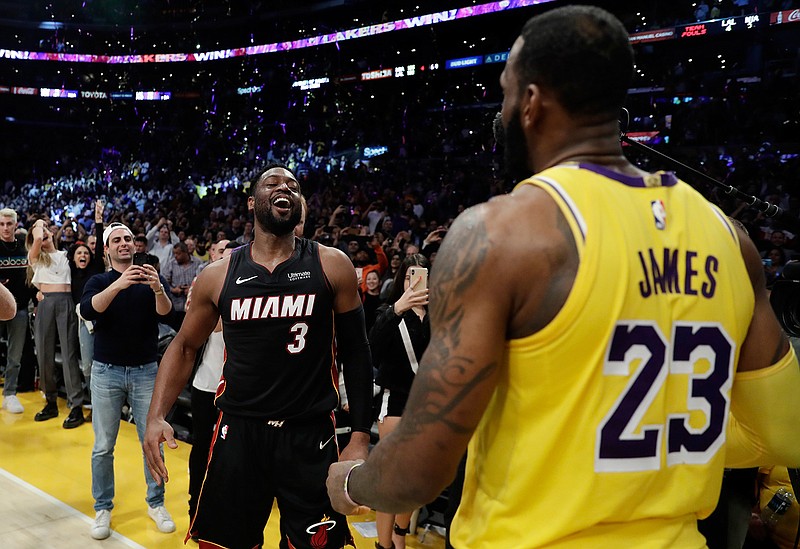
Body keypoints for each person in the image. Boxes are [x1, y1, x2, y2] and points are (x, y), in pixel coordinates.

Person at [326, 6, 800, 548]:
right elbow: (784, 432)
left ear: (529, 102)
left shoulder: (503, 235)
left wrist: (352, 482)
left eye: (505, 92)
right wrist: (658, 440)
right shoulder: (729, 238)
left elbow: (420, 471)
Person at [143, 165, 374, 549]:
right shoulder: (219, 274)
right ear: (252, 203)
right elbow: (184, 346)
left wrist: (361, 437)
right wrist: (155, 417)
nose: (285, 187)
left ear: (299, 205)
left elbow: (357, 350)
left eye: (293, 185)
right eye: (273, 183)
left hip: (310, 434)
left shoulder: (332, 264)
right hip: (240, 432)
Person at [80, 222, 175, 540]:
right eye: (116, 240)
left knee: (151, 442)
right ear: (106, 249)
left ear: (136, 245)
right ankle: (102, 507)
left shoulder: (150, 276)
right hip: (106, 371)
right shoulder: (100, 280)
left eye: (128, 239)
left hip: (146, 371)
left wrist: (158, 288)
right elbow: (89, 310)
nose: (124, 243)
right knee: (103, 446)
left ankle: (156, 502)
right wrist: (119, 284)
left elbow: (166, 313)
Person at [369, 254, 430, 549]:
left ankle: (399, 535)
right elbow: (374, 353)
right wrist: (396, 310)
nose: (414, 282)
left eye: (419, 276)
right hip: (394, 401)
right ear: (400, 280)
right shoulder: (387, 312)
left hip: (427, 404)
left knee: (415, 479)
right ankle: (384, 545)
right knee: (391, 477)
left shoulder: (439, 314)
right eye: (408, 277)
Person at [184, 236, 232, 521]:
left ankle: (227, 506)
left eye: (230, 251)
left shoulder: (252, 285)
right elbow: (207, 329)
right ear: (212, 254)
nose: (225, 255)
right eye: (220, 251)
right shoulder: (203, 284)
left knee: (234, 451)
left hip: (239, 387)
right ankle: (195, 507)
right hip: (206, 383)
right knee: (202, 446)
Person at [26, 218, 85, 428]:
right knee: (44, 353)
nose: (43, 235)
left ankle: (76, 404)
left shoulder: (65, 255)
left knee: (69, 353)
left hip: (66, 302)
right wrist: (39, 227)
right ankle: (50, 400)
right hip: (46, 304)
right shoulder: (36, 257)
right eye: (38, 234)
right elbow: (38, 239)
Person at [69, 200, 105, 404]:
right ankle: (94, 400)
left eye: (86, 253)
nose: (83, 255)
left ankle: (101, 400)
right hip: (80, 321)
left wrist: (98, 221)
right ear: (72, 258)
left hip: (99, 319)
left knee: (98, 362)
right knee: (87, 365)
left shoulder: (96, 269)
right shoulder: (70, 273)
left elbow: (99, 245)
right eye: (78, 253)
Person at [0, 208, 33, 414]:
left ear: (15, 224)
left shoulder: (24, 247)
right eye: (1, 224)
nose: (5, 228)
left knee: (15, 355)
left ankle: (9, 394)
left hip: (19, 307)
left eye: (8, 224)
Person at [161, 241, 201, 330]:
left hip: (193, 304)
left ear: (185, 252)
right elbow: (164, 281)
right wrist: (173, 289)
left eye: (178, 253)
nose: (175, 256)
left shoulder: (198, 263)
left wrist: (191, 289)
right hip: (176, 305)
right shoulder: (171, 264)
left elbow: (202, 281)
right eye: (174, 253)